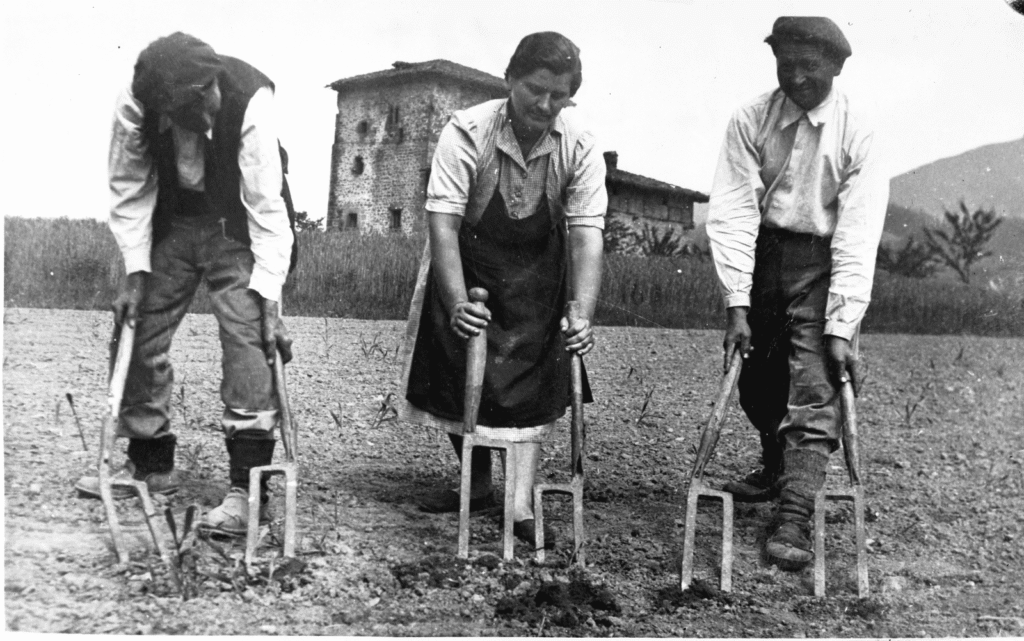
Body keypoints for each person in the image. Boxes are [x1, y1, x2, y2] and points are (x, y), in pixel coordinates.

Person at [75, 32, 296, 536]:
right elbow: (129, 184)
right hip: (174, 222)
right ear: (171, 109)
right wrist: (135, 272)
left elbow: (266, 206)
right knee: (138, 324)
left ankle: (248, 486)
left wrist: (269, 300)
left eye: (214, 92)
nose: (215, 105)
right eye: (200, 105)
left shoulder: (251, 100)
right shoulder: (138, 102)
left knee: (247, 336)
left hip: (235, 225)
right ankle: (151, 464)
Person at [396, 31, 607, 549]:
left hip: (539, 267)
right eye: (534, 89)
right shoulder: (466, 132)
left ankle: (518, 501)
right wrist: (456, 303)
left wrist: (582, 311)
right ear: (510, 79)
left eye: (558, 96)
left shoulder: (579, 144)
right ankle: (476, 484)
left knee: (530, 376)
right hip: (467, 257)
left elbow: (585, 236)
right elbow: (442, 225)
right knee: (455, 359)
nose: (544, 104)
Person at [706, 17, 888, 570]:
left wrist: (841, 327)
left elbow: (858, 232)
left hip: (824, 262)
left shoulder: (859, 130)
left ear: (837, 66)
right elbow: (734, 209)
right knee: (758, 378)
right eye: (787, 65)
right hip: (764, 253)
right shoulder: (751, 117)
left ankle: (796, 512)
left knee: (814, 383)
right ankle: (775, 468)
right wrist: (737, 304)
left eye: (810, 67)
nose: (797, 77)